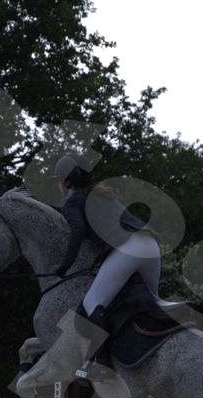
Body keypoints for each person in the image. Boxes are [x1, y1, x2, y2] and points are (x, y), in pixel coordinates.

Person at [52, 155, 161, 375]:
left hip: (128, 248)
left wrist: (63, 267)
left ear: (67, 181)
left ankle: (101, 364)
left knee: (92, 303)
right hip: (150, 245)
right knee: (153, 302)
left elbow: (77, 231)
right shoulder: (101, 195)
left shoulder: (73, 202)